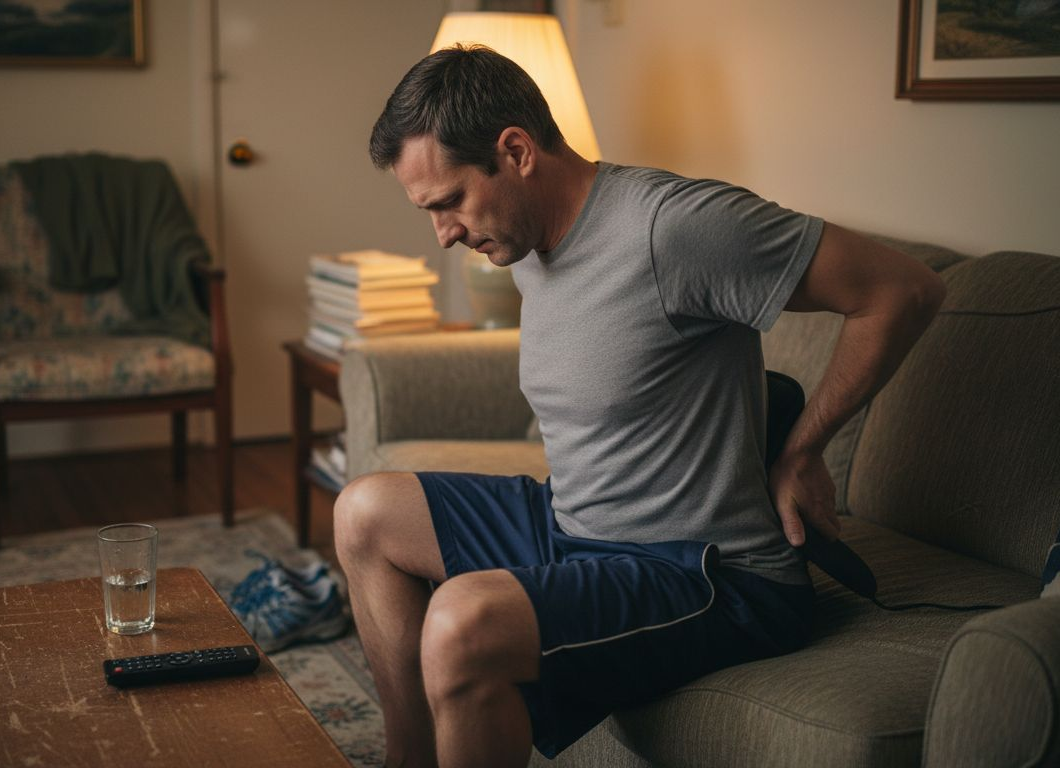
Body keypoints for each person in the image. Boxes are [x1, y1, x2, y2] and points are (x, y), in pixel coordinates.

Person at [337, 45, 945, 768]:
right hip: (578, 525)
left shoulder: (674, 227)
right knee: (365, 512)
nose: (443, 233)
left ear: (516, 151)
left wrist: (803, 449)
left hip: (708, 571)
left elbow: (901, 291)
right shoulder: (524, 242)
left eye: (449, 202)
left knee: (461, 623)